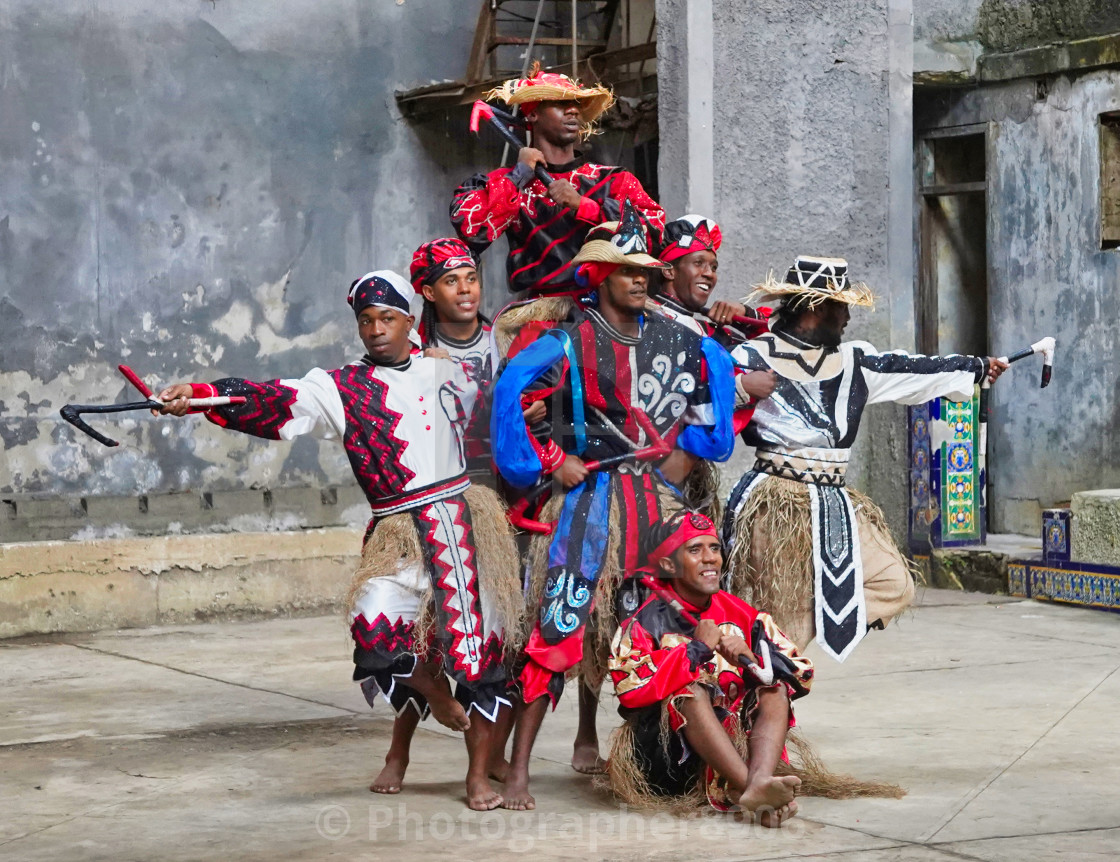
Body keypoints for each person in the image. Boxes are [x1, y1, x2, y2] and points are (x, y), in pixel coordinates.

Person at [155, 270, 522, 811]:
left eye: (387, 318)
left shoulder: (447, 371)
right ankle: (435, 696)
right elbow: (273, 399)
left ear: (408, 322)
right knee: (374, 630)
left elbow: (501, 405)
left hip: (466, 526)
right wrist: (202, 395)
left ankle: (476, 776)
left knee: (480, 647)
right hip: (398, 531)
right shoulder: (339, 387)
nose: (375, 328)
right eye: (365, 320)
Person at [489, 201, 737, 809]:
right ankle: (518, 768)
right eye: (625, 270)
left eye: (645, 270)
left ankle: (662, 760)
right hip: (586, 504)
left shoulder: (680, 340)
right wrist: (546, 462)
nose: (639, 279)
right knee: (560, 625)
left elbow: (715, 409)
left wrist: (689, 447)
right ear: (599, 276)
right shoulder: (569, 339)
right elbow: (511, 386)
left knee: (657, 626)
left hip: (653, 506)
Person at [722, 256, 1009, 662]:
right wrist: (738, 386)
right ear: (813, 308)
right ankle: (759, 711)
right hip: (776, 502)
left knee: (893, 582)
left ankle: (792, 642)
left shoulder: (855, 361)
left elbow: (912, 368)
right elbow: (701, 399)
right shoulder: (751, 356)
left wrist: (976, 367)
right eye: (840, 307)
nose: (847, 317)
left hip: (835, 502)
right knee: (782, 618)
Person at [607, 511, 813, 826]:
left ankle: (752, 786)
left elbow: (802, 672)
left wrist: (753, 657)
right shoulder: (644, 621)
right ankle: (753, 790)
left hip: (736, 745)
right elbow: (631, 692)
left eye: (714, 548)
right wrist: (696, 650)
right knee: (689, 693)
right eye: (695, 550)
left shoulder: (741, 613)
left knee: (775, 690)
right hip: (669, 762)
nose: (710, 559)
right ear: (668, 565)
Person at [451, 64, 664, 297]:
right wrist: (519, 175)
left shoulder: (614, 180)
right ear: (532, 114)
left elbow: (655, 234)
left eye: (576, 104)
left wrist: (584, 206)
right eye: (561, 103)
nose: (573, 110)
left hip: (607, 309)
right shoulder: (507, 183)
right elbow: (472, 230)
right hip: (539, 315)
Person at [410, 238, 494, 484]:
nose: (465, 289)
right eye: (451, 281)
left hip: (514, 479)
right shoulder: (419, 358)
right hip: (449, 483)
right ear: (429, 292)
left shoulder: (506, 341)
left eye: (471, 278)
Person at [650, 214, 768, 347]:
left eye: (714, 267)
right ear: (669, 270)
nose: (709, 274)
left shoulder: (714, 336)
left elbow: (779, 350)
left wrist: (747, 315)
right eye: (698, 263)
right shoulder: (638, 321)